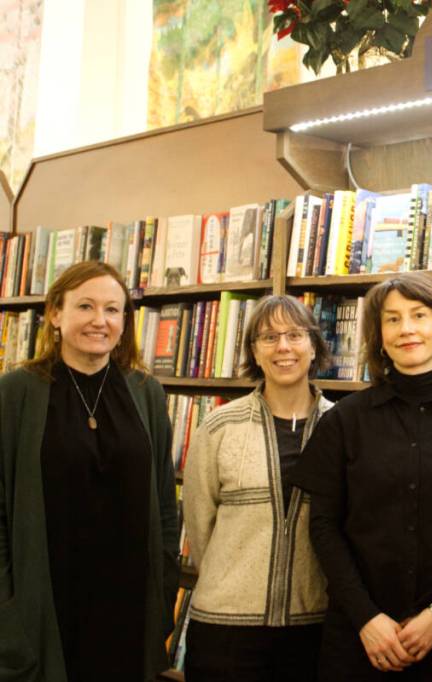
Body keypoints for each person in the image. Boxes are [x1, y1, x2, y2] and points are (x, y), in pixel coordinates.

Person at [292, 271, 432, 680]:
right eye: (392, 319)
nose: (406, 328)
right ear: (379, 337)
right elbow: (323, 527)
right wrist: (366, 618)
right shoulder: (344, 421)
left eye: (419, 315)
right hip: (356, 640)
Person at [0, 260, 178, 681]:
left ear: (125, 321)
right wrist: (9, 612)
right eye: (85, 306)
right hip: (46, 613)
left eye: (112, 310)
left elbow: (165, 506)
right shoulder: (15, 393)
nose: (100, 320)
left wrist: (164, 588)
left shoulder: (146, 393)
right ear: (55, 314)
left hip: (130, 612)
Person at [183, 295, 334, 680]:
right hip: (224, 630)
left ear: (314, 346)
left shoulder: (342, 428)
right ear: (254, 351)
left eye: (295, 335)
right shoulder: (218, 427)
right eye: (269, 337)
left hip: (313, 628)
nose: (283, 347)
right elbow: (200, 527)